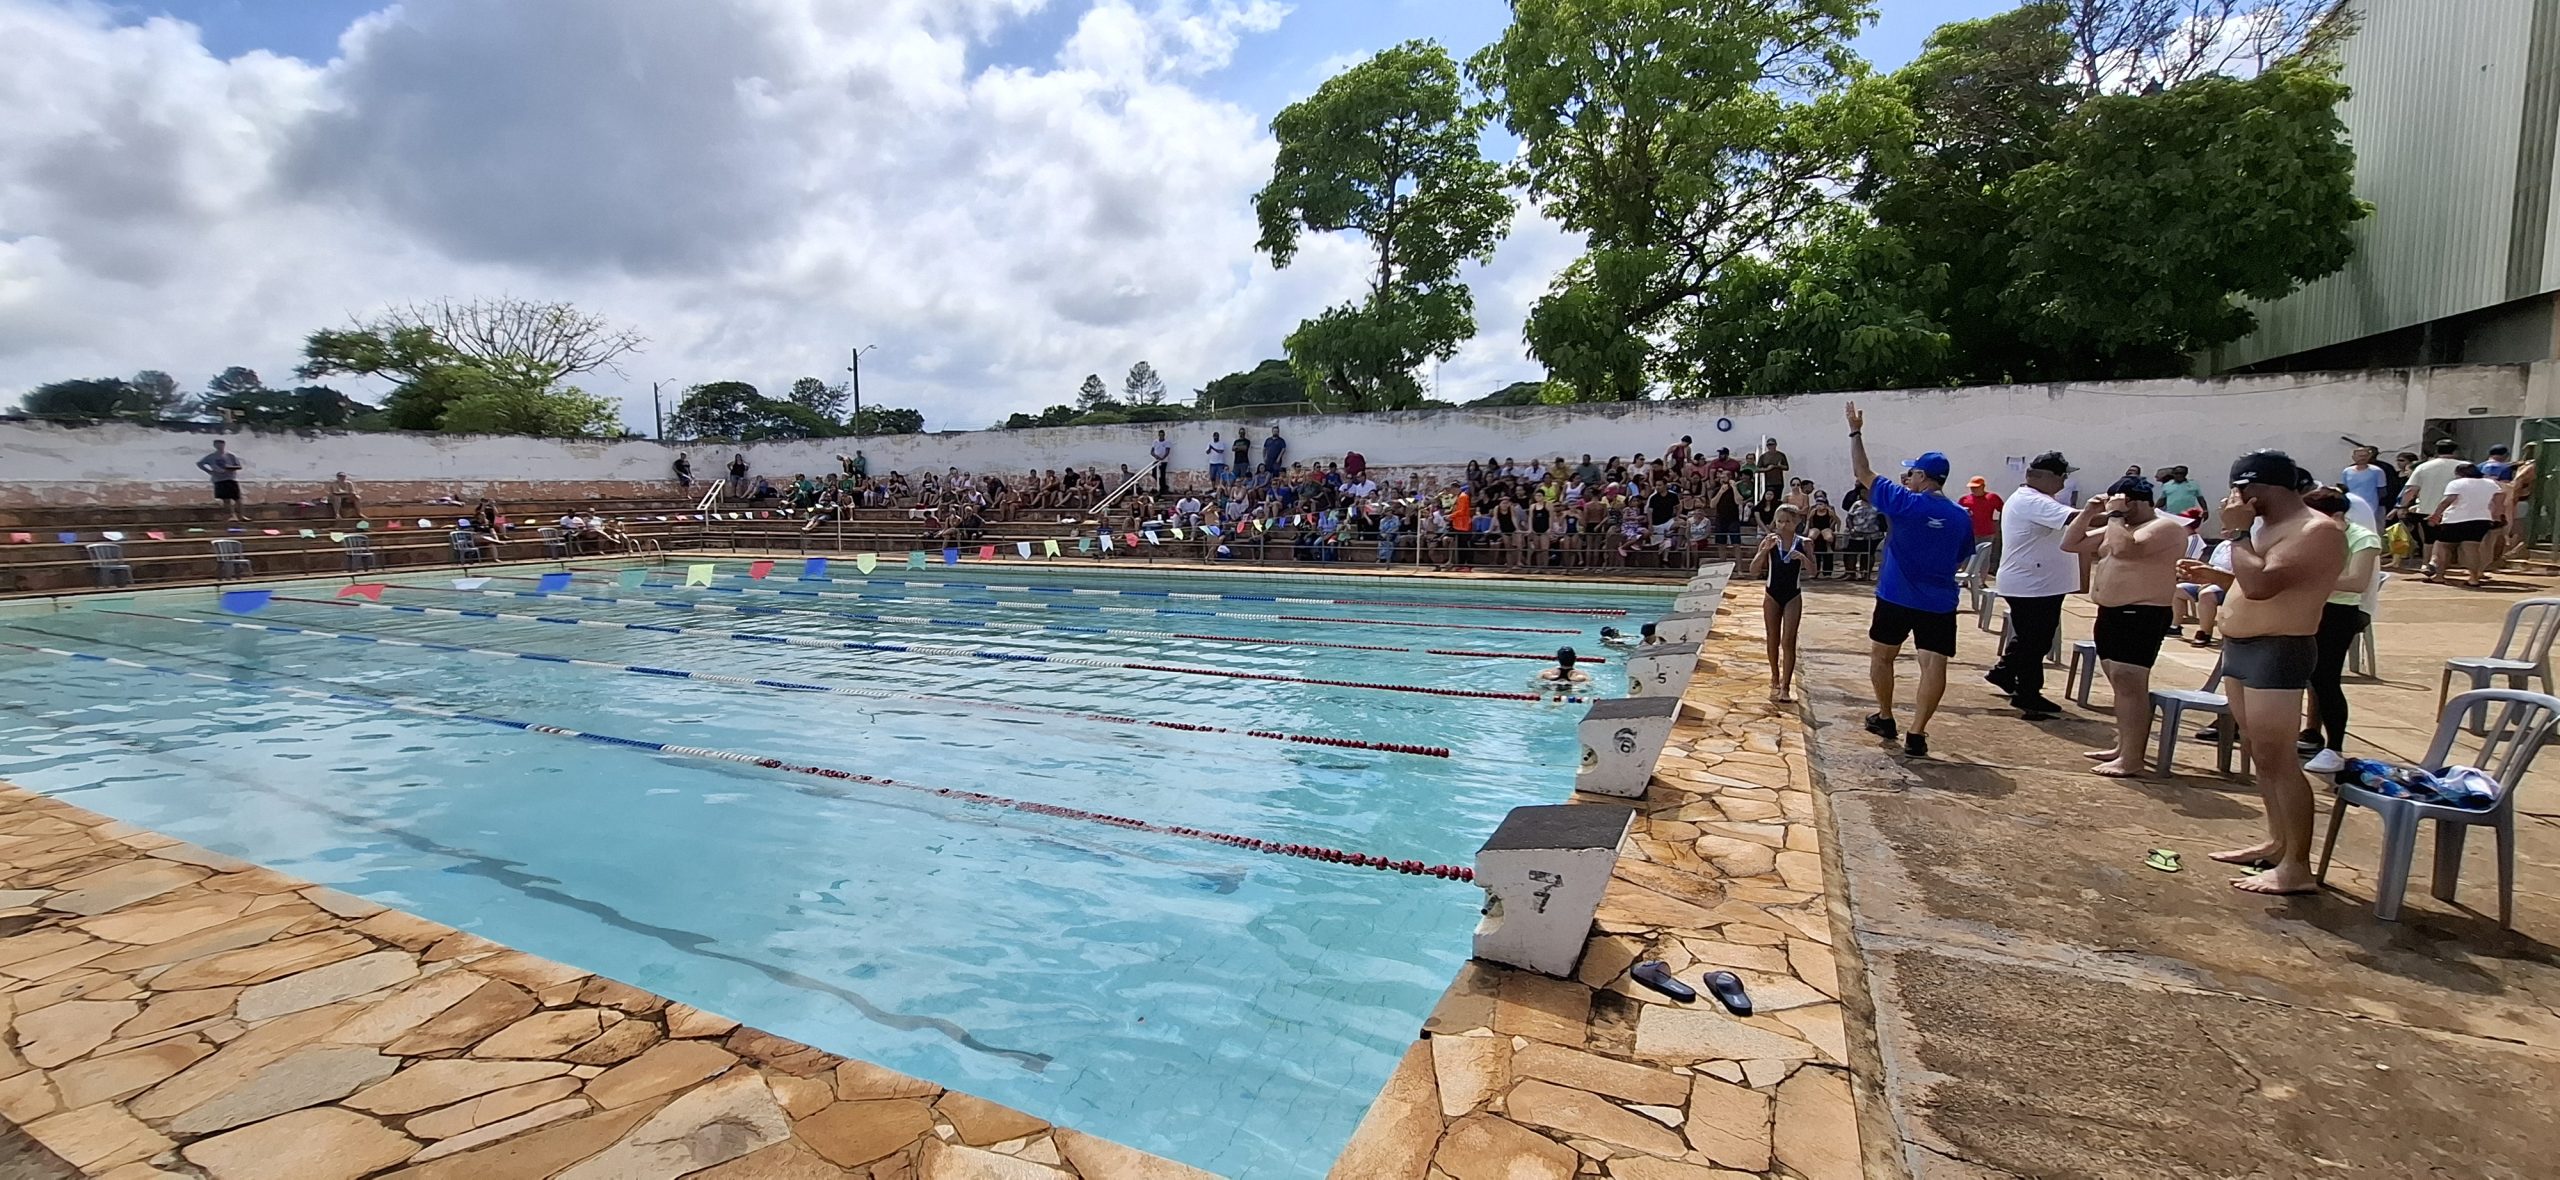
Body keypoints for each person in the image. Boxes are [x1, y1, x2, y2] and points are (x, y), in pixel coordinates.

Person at [2195, 450, 2347, 896]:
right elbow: (2246, 580)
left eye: (2244, 490)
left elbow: (2262, 586)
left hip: (2279, 648)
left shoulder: (2317, 530)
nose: (2236, 498)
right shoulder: (2264, 527)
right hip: (2242, 647)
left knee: (2280, 757)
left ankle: (2297, 865)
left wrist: (2238, 533)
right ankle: (2278, 841)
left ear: (2270, 488)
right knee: (2261, 755)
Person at [1847, 402, 1974, 757]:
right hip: (1939, 601)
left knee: (1882, 656)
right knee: (1933, 664)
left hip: (1896, 595)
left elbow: (1862, 471)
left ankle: (1886, 716)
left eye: (1912, 473)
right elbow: (1963, 555)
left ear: (1923, 476)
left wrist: (1855, 431)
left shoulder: (1905, 502)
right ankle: (1917, 733)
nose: (1908, 478)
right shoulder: (1961, 516)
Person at [2065, 478, 2184, 777]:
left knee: (2130, 684)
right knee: (2120, 685)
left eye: (2124, 503)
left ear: (2141, 501)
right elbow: (2070, 544)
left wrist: (2116, 517)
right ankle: (2123, 746)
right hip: (2111, 614)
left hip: (2142, 614)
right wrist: (2089, 512)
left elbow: (2125, 552)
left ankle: (2132, 758)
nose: (2119, 509)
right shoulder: (2119, 528)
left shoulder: (2164, 528)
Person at [2294, 486, 2382, 775]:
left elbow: (2357, 581)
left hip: (2338, 612)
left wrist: (2313, 579)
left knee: (2325, 678)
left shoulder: (2362, 538)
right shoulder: (2308, 535)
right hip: (2306, 605)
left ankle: (2335, 747)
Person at [1987, 452, 2079, 720]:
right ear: (2044, 477)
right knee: (2035, 640)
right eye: (2062, 476)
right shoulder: (2032, 500)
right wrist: (2110, 513)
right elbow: (2074, 518)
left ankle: (2005, 672)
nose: (2064, 482)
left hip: (2039, 583)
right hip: (2032, 583)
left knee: (2032, 636)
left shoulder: (2039, 500)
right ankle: (2027, 692)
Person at [1753, 504, 1808, 702]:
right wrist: (1763, 552)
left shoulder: (1804, 542)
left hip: (1793, 595)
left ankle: (1786, 686)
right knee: (1772, 637)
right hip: (1772, 594)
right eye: (1780, 521)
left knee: (1789, 640)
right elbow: (1753, 570)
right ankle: (1775, 677)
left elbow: (1814, 571)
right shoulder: (1770, 541)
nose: (1783, 525)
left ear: (1796, 523)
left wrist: (1802, 558)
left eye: (1788, 521)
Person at [2427, 462, 2505, 586]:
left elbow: (2447, 501)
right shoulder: (2491, 484)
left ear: (2459, 474)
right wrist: (2496, 514)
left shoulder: (2456, 484)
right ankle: (2473, 578)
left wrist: (2436, 514)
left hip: (2455, 519)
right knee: (2472, 548)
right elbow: (2499, 499)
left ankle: (2439, 576)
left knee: (2443, 546)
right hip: (2481, 519)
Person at [2396, 439, 2465, 574]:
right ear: (2455, 451)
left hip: (2427, 508)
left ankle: (2426, 563)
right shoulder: (2465, 466)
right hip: (2456, 510)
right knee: (2451, 542)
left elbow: (2411, 490)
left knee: (2429, 539)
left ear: (2436, 451)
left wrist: (2402, 506)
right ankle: (2445, 567)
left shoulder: (2424, 467)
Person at [197, 439, 246, 521]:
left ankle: (241, 516)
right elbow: (200, 463)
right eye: (217, 444)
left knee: (237, 498)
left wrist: (228, 468)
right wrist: (209, 471)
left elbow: (239, 466)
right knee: (226, 500)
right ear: (214, 446)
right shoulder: (211, 457)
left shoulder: (230, 455)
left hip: (230, 478)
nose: (219, 446)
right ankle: (232, 516)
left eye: (221, 444)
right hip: (219, 480)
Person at [2339, 446, 2389, 521]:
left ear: (2369, 456)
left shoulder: (2377, 471)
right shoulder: (2347, 471)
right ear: (2353, 457)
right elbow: (2344, 489)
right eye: (2360, 456)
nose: (2362, 458)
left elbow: (2382, 490)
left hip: (2371, 506)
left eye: (2365, 456)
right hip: (2352, 505)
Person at [1959, 477, 2003, 550]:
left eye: (1976, 487)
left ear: (1983, 486)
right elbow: (1959, 515)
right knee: (1968, 556)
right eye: (1972, 487)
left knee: (1984, 556)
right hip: (1970, 534)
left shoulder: (1992, 497)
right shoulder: (1964, 500)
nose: (1973, 489)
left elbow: (2003, 510)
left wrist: (2001, 525)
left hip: (1987, 533)